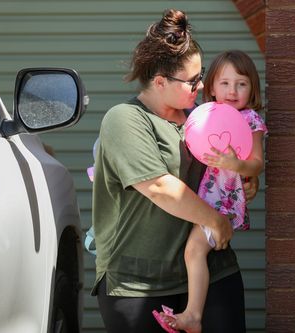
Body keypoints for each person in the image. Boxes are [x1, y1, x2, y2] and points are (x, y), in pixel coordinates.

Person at [91, 9, 253, 333]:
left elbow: (232, 165)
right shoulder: (125, 119)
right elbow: (161, 188)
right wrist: (216, 219)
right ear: (160, 81)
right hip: (139, 283)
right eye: (192, 80)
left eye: (201, 74)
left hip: (211, 271)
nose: (202, 84)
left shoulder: (203, 116)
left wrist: (246, 181)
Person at [159, 50, 268, 332]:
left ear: (251, 88)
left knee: (194, 251)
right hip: (206, 198)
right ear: (211, 86)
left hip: (223, 201)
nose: (232, 91)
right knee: (194, 250)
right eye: (225, 83)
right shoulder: (205, 115)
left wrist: (238, 165)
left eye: (241, 84)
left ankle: (193, 315)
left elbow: (257, 165)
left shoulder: (250, 119)